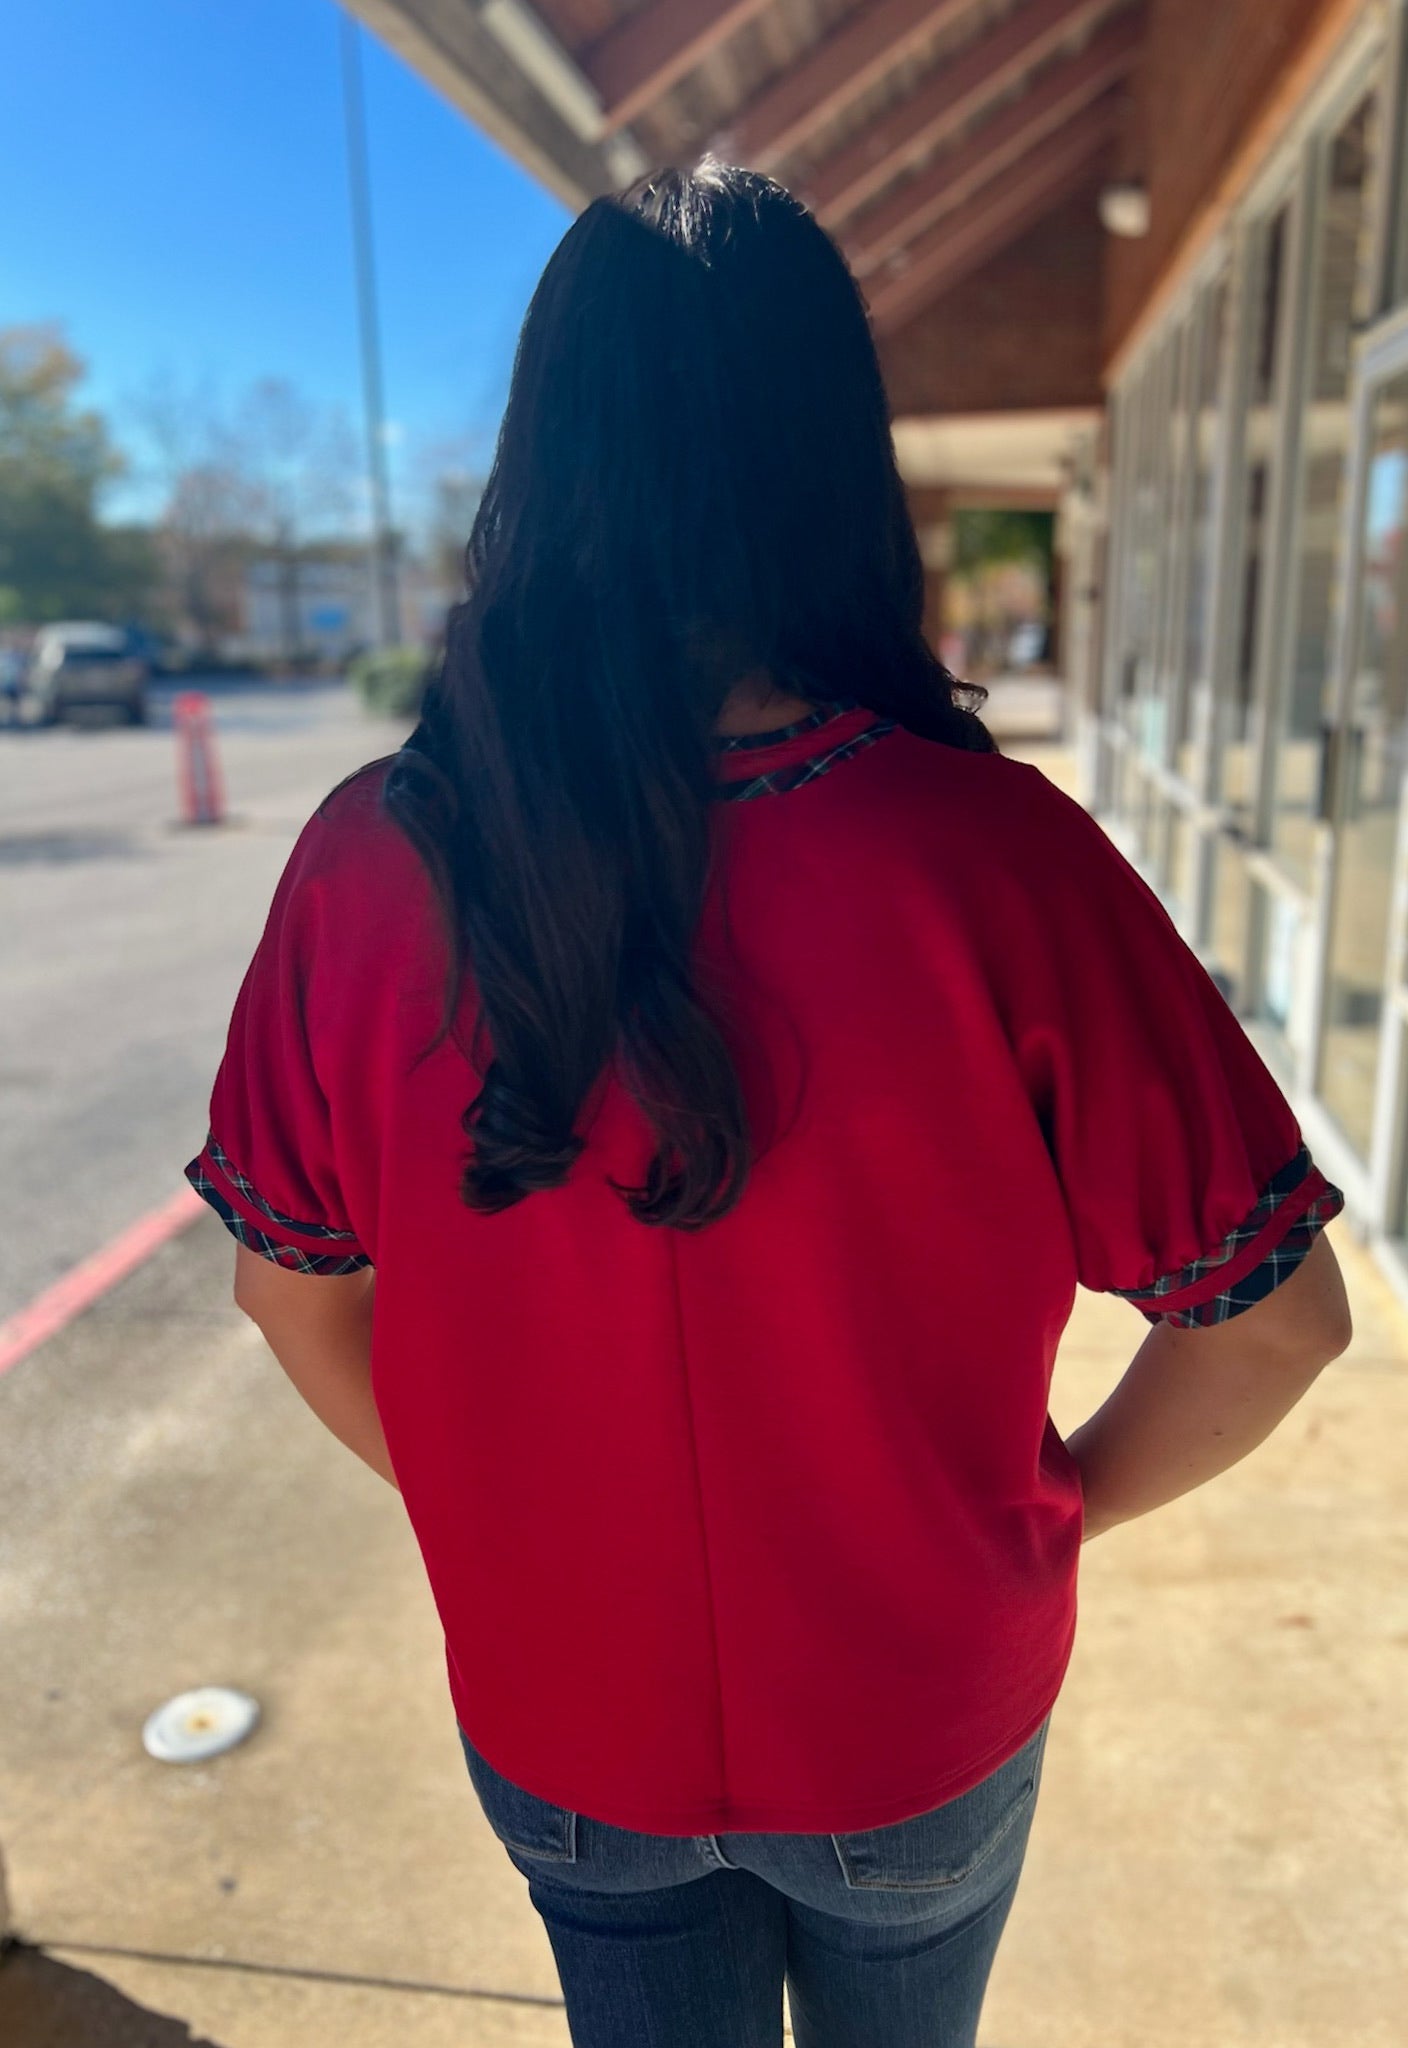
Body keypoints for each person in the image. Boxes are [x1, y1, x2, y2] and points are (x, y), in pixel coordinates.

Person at [185, 160, 1352, 2048]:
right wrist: (1043, 1518)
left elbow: (286, 1289)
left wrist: (501, 1509)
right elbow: (1277, 1316)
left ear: (540, 447)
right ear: (836, 457)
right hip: (920, 1713)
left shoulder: (367, 863)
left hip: (565, 1719)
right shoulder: (998, 862)